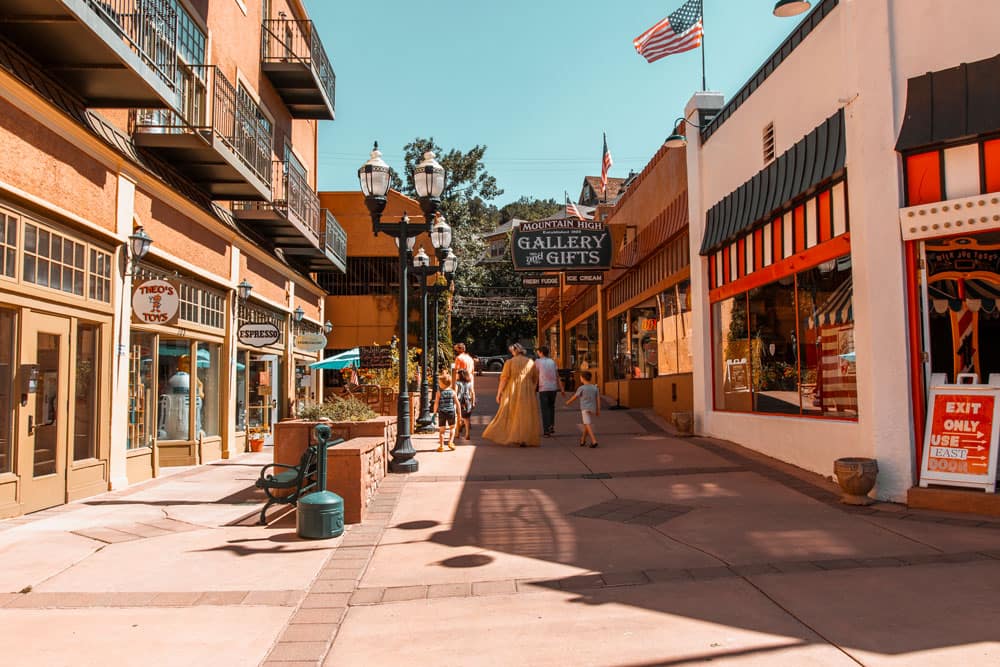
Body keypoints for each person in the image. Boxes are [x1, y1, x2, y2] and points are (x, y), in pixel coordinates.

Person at [483, 343, 541, 447]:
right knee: (525, 415)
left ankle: (513, 436)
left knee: (510, 413)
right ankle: (524, 438)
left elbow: (504, 379)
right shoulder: (530, 362)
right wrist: (531, 389)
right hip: (527, 392)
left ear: (514, 351)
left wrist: (499, 393)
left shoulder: (509, 362)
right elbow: (535, 378)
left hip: (512, 390)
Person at [566, 370, 600, 448]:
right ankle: (582, 440)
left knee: (587, 424)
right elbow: (598, 399)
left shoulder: (581, 388)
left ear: (583, 378)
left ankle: (594, 440)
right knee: (586, 424)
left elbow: (575, 396)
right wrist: (598, 410)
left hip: (584, 408)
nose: (580, 379)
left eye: (580, 377)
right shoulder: (595, 388)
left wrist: (568, 402)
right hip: (592, 408)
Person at [535, 346, 564, 437]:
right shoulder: (552, 361)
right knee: (551, 407)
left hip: (543, 388)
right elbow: (557, 376)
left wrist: (534, 387)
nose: (537, 354)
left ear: (541, 352)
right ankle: (551, 426)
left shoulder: (538, 362)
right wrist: (562, 388)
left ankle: (546, 431)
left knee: (545, 409)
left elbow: (536, 375)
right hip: (553, 388)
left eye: (538, 352)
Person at [433, 373, 458, 452]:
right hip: (451, 412)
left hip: (442, 412)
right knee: (452, 428)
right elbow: (457, 403)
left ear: (443, 384)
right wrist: (459, 412)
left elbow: (436, 403)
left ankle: (441, 446)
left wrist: (434, 413)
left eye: (439, 383)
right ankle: (450, 442)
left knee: (441, 431)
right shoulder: (453, 392)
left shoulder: (439, 392)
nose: (439, 384)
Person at [455, 368, 476, 441]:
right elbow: (472, 392)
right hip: (468, 401)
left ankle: (457, 433)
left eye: (457, 375)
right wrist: (473, 402)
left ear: (460, 375)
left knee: (458, 417)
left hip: (459, 401)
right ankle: (467, 434)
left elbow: (455, 392)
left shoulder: (457, 383)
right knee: (467, 419)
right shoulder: (469, 383)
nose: (456, 376)